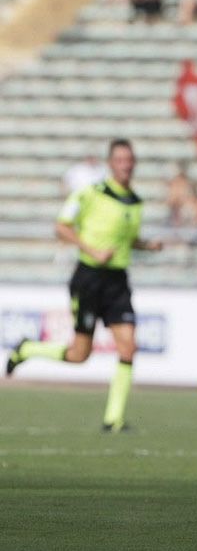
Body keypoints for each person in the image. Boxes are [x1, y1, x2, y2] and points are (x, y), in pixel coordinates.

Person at [6, 139, 163, 432]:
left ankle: (113, 419)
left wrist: (147, 245)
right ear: (110, 163)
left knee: (128, 347)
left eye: (129, 160)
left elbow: (128, 240)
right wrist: (92, 250)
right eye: (120, 160)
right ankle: (26, 349)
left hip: (117, 281)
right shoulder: (91, 193)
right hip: (89, 278)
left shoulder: (136, 202)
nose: (126, 165)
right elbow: (61, 227)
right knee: (79, 355)